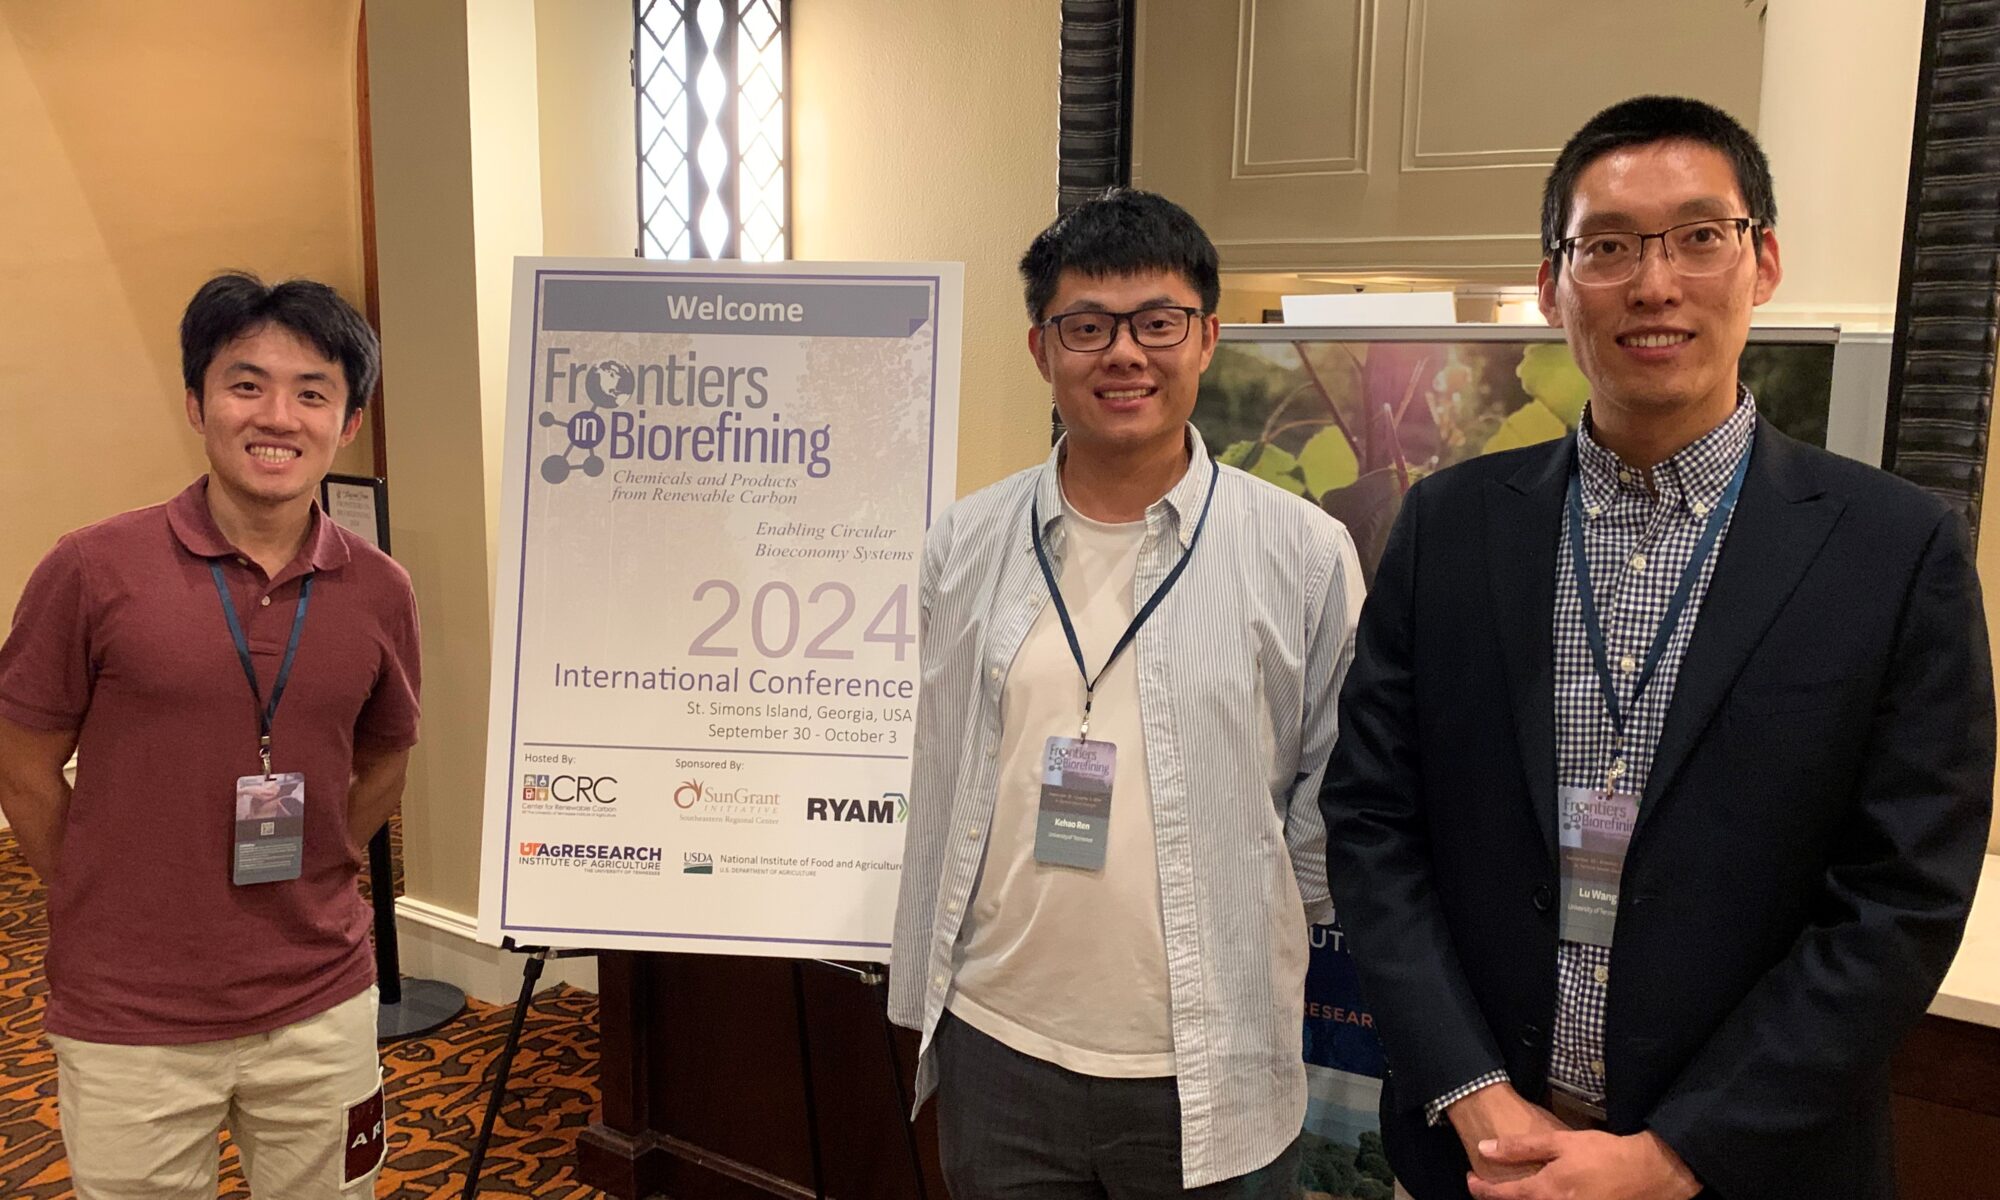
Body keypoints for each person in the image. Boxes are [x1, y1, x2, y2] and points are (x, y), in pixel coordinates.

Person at [1319, 94, 1996, 1200]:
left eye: (1697, 235)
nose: (1652, 283)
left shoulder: (1894, 549)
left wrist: (1676, 1154)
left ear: (1761, 260)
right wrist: (1472, 1094)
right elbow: (1372, 823)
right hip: (1480, 1160)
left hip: (1749, 1168)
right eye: (1606, 247)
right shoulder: (1448, 527)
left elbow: (1900, 897)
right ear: (1551, 285)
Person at [888, 189, 1365, 1198]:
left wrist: (1266, 914)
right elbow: (943, 774)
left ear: (1205, 339)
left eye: (1156, 323)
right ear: (1039, 348)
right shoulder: (963, 544)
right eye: (1086, 327)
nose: (1122, 355)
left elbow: (1330, 791)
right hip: (998, 1043)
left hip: (1208, 1061)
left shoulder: (1303, 555)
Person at [0, 272, 422, 1199]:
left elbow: (387, 756)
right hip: (131, 1014)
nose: (278, 416)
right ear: (197, 402)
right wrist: (97, 889)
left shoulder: (381, 588)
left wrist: (328, 858)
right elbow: (22, 762)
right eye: (246, 384)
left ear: (347, 424)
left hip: (322, 1001)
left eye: (313, 392)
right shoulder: (92, 567)